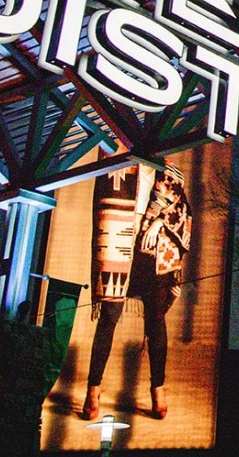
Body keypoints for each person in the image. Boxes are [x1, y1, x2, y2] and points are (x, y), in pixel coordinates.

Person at [80, 164, 192, 421]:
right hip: (118, 243)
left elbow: (183, 210)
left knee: (155, 321)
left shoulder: (169, 173)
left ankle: (158, 389)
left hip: (153, 254)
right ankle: (93, 389)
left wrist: (158, 222)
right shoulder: (116, 168)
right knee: (109, 317)